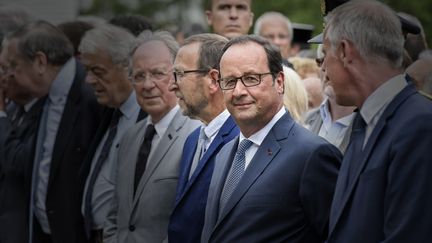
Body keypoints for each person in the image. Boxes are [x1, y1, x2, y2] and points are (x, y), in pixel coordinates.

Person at [201, 35, 341, 243]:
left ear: (279, 82)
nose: (238, 91)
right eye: (229, 81)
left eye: (251, 78)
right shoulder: (224, 152)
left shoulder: (312, 154)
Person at [320, 1, 432, 242]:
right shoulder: (365, 120)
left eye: (325, 53)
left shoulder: (419, 126)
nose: (324, 68)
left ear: (344, 51)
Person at [2, 20, 103, 243]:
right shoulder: (47, 94)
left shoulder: (90, 97)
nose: (10, 76)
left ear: (40, 62)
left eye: (14, 66)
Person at [103, 30, 200, 243]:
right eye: (139, 76)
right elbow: (115, 211)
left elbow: (192, 219)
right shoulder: (130, 136)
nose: (147, 85)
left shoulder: (196, 134)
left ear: (177, 76)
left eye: (157, 73)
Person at [167, 33, 239, 243]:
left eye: (180, 74)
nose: (173, 85)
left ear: (214, 79)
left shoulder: (241, 142)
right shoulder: (192, 141)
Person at [78, 24, 144, 243]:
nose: (89, 80)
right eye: (87, 71)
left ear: (127, 68)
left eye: (97, 71)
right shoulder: (108, 113)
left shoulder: (149, 120)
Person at [304, 44, 356, 153]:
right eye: (321, 60)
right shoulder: (306, 119)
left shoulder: (370, 124)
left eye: (335, 61)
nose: (325, 68)